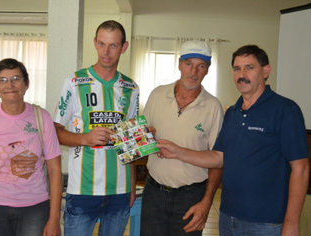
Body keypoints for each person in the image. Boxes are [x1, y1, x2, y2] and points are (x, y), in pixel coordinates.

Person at [157, 45, 310, 236]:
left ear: (265, 71)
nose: (241, 74)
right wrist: (178, 152)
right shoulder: (232, 112)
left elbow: (301, 169)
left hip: (267, 223)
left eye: (249, 67)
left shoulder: (285, 110)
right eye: (237, 68)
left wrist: (292, 224)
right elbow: (219, 157)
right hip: (228, 217)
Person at [53, 20, 139, 236]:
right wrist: (85, 138)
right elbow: (54, 131)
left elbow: (131, 142)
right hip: (83, 189)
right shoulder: (74, 82)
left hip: (119, 190)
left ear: (124, 47)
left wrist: (132, 183)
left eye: (113, 45)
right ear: (94, 43)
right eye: (101, 44)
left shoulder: (131, 88)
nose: (106, 52)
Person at [0, 58, 63, 236]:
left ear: (27, 84)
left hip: (34, 208)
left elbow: (54, 170)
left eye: (16, 78)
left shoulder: (42, 117)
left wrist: (54, 219)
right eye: (2, 80)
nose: (10, 84)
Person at [140, 41, 224, 236]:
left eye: (201, 66)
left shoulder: (213, 107)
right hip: (154, 192)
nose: (193, 71)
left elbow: (218, 161)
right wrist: (146, 138)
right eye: (188, 64)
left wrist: (206, 202)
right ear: (179, 64)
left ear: (207, 70)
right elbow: (142, 141)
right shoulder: (157, 95)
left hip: (191, 197)